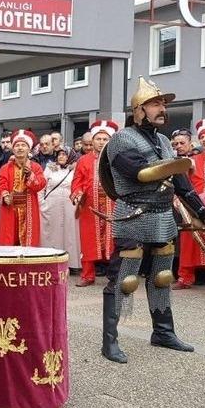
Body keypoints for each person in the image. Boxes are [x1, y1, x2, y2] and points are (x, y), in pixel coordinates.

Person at [100, 77, 205, 364]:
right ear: (139, 109)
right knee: (124, 280)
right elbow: (139, 172)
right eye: (155, 103)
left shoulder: (165, 142)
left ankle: (163, 332)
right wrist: (177, 165)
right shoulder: (121, 140)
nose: (162, 108)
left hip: (163, 216)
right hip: (133, 216)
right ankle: (109, 341)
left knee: (162, 277)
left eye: (164, 103)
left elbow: (181, 182)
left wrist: (204, 214)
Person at [71, 120, 118, 286]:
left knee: (114, 242)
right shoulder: (83, 160)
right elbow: (77, 182)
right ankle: (87, 275)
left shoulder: (117, 159)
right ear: (93, 140)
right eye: (98, 139)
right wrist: (77, 194)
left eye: (105, 139)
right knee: (88, 241)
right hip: (90, 207)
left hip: (114, 206)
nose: (101, 142)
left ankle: (115, 276)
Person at [175, 118, 205, 289]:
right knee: (188, 241)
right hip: (195, 208)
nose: (204, 139)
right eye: (202, 137)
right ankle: (185, 278)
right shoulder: (192, 160)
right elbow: (182, 182)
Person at [0, 129, 47, 247]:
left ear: (29, 149)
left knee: (28, 243)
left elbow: (41, 184)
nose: (20, 148)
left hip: (28, 208)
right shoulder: (5, 168)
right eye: (17, 145)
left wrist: (30, 175)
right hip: (10, 208)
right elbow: (1, 184)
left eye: (23, 145)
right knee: (8, 241)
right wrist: (4, 195)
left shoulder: (36, 167)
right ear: (13, 149)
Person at [40, 148, 80, 271]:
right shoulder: (50, 168)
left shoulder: (75, 169)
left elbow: (79, 185)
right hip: (51, 204)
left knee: (70, 233)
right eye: (59, 154)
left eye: (64, 154)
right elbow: (42, 186)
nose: (61, 157)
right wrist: (41, 203)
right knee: (52, 232)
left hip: (69, 204)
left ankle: (71, 263)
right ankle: (51, 260)